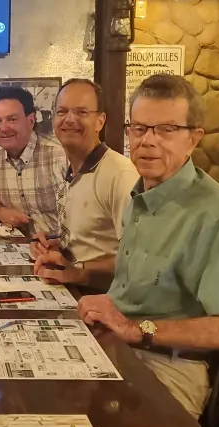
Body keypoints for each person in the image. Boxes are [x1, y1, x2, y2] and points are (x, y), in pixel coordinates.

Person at [77, 74, 219, 417]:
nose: (148, 141)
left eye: (166, 130)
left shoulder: (216, 212)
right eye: (140, 128)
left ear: (193, 139)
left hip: (170, 368)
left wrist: (136, 330)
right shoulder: (141, 195)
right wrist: (108, 304)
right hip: (120, 352)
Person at [30, 78, 138, 292]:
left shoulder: (120, 175)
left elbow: (139, 261)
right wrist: (57, 242)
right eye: (62, 112)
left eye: (81, 112)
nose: (69, 119)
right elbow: (92, 240)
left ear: (100, 121)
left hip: (104, 298)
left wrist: (79, 271)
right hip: (70, 287)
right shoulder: (71, 167)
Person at [0, 85, 66, 235]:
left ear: (31, 120)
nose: (3, 128)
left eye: (12, 119)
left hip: (60, 251)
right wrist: (1, 212)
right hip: (16, 249)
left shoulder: (59, 155)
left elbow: (82, 217)